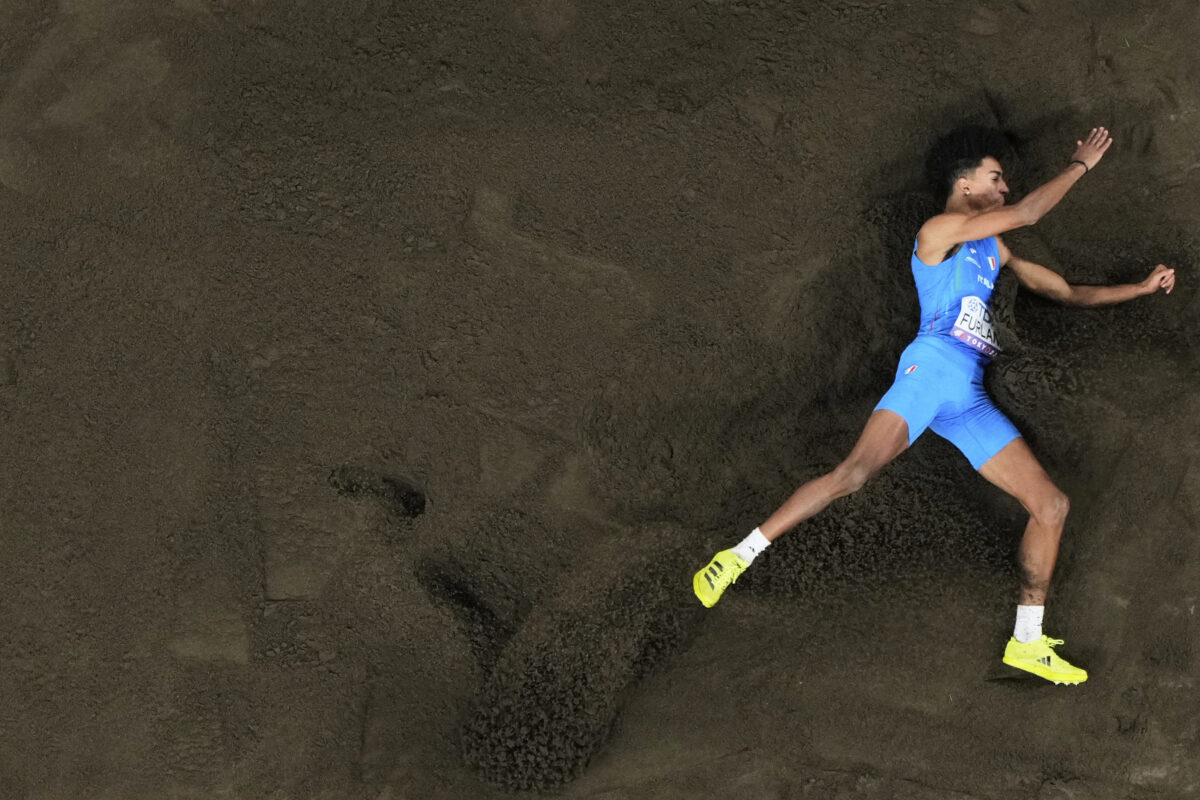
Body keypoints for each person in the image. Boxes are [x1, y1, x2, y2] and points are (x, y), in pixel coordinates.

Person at [692, 126, 1177, 685]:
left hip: (967, 395)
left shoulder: (995, 251)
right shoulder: (939, 231)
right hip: (929, 371)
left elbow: (1066, 293)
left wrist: (1136, 291)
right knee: (854, 474)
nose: (1003, 187)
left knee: (1051, 506)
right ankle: (738, 555)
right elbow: (1026, 213)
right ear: (965, 182)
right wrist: (1080, 166)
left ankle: (1026, 641)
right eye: (995, 178)